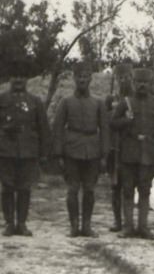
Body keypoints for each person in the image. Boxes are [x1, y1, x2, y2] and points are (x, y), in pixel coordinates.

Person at [52, 63, 110, 237]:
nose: (82, 80)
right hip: (72, 150)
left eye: (86, 76)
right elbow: (58, 128)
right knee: (72, 189)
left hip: (92, 150)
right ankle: (74, 226)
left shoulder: (98, 103)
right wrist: (59, 153)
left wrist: (104, 155)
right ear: (74, 79)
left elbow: (105, 129)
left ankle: (86, 226)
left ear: (90, 79)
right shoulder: (66, 102)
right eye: (79, 77)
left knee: (90, 190)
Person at [110, 68, 154, 239]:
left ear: (150, 85)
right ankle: (128, 227)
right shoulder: (125, 103)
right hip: (128, 154)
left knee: (145, 191)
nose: (142, 85)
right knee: (127, 191)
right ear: (133, 84)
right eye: (138, 82)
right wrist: (126, 120)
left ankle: (143, 227)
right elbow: (112, 123)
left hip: (147, 155)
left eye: (145, 82)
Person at [0, 76, 50, 236]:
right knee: (7, 187)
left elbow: (43, 128)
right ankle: (9, 223)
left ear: (26, 80)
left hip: (28, 151)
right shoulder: (2, 99)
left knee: (24, 188)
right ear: (10, 80)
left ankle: (21, 223)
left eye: (21, 77)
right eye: (15, 77)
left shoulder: (35, 101)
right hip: (5, 150)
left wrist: (44, 153)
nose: (18, 81)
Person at [106, 63, 133, 233]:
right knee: (115, 187)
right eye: (120, 78)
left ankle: (129, 220)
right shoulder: (111, 99)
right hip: (114, 147)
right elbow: (107, 122)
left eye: (126, 78)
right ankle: (117, 221)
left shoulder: (135, 98)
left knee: (129, 186)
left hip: (130, 147)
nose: (123, 81)